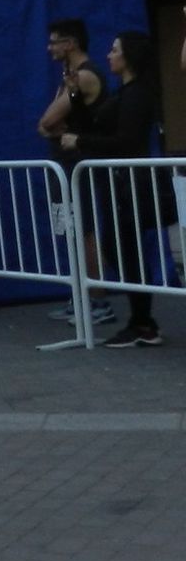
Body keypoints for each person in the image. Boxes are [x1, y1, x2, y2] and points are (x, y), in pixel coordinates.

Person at [62, 31, 166, 348]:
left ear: (128, 56)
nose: (109, 55)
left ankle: (143, 321)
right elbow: (94, 125)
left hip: (131, 184)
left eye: (115, 50)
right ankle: (141, 318)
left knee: (126, 248)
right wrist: (76, 96)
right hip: (118, 183)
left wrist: (81, 142)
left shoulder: (138, 95)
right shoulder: (122, 93)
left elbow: (127, 141)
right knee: (118, 248)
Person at [38, 18, 113, 327]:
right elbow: (47, 127)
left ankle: (98, 300)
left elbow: (46, 122)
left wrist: (54, 126)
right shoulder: (69, 78)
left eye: (54, 41)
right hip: (64, 164)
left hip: (78, 164)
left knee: (84, 232)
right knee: (71, 232)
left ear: (70, 43)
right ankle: (81, 297)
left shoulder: (84, 76)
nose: (49, 47)